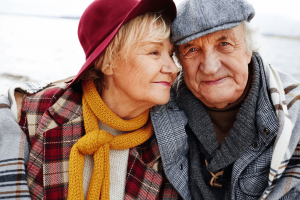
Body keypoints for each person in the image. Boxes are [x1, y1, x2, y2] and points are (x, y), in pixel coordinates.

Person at [0, 0, 192, 199]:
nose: (172, 68)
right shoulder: (30, 115)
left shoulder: (170, 142)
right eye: (154, 52)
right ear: (107, 62)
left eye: (170, 54)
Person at [170, 0, 300, 199]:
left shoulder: (294, 112)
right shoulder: (157, 110)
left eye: (224, 43)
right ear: (179, 60)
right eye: (192, 49)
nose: (210, 67)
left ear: (248, 50)